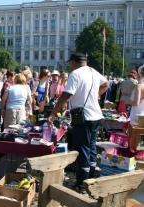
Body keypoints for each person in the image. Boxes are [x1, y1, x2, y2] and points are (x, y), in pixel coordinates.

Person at [48, 52, 108, 193]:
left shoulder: (75, 74)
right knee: (91, 147)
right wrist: (96, 95)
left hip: (84, 117)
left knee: (83, 149)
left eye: (70, 63)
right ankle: (91, 179)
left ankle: (81, 184)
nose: (70, 65)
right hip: (95, 115)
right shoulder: (93, 71)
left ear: (74, 62)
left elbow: (66, 95)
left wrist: (53, 113)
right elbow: (106, 84)